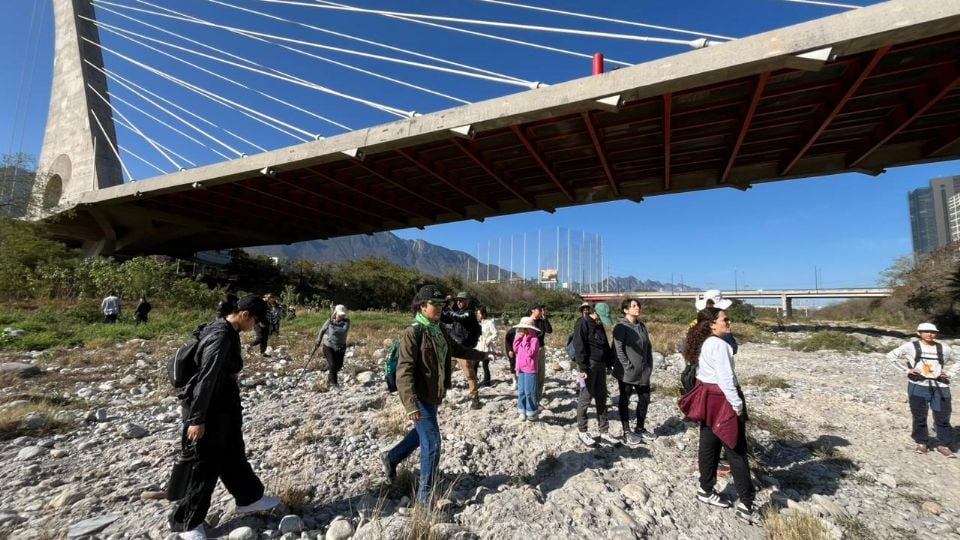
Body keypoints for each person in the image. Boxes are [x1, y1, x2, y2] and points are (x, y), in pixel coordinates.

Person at [169, 294, 279, 540]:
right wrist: (197, 419)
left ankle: (249, 498)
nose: (255, 328)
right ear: (245, 315)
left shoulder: (227, 329)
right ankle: (187, 522)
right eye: (256, 322)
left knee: (232, 453)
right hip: (209, 409)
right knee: (204, 463)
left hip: (223, 406)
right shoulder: (220, 337)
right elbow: (206, 379)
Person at [380, 285, 487, 504]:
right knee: (433, 442)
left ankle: (391, 458)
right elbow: (404, 371)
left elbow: (456, 350)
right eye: (435, 304)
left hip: (433, 395)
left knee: (421, 434)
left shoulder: (438, 329)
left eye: (441, 304)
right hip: (418, 396)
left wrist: (482, 355)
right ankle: (424, 499)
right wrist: (410, 405)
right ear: (422, 306)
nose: (440, 308)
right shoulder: (414, 332)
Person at [682, 307, 759, 525]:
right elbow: (726, 378)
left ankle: (705, 489)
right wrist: (737, 405)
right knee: (736, 450)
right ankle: (747, 505)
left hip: (709, 399)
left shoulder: (705, 343)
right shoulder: (719, 345)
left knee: (708, 444)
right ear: (712, 324)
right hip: (724, 400)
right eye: (725, 319)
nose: (729, 322)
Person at [887, 322, 955, 457]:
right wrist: (907, 370)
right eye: (926, 331)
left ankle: (943, 444)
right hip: (918, 385)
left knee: (943, 416)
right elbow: (890, 356)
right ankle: (921, 441)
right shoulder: (910, 346)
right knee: (919, 415)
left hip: (941, 386)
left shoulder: (944, 348)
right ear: (919, 333)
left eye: (933, 332)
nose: (930, 334)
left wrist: (951, 373)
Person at [572, 303, 618, 448]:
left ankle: (604, 431)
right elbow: (578, 346)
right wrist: (582, 368)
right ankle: (582, 431)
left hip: (600, 365)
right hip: (587, 366)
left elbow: (605, 346)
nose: (602, 320)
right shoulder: (582, 323)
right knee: (585, 398)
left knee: (602, 397)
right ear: (595, 312)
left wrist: (609, 364)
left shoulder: (599, 325)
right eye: (601, 317)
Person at [612, 298, 656, 446]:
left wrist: (649, 364)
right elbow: (619, 349)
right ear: (626, 310)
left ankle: (640, 428)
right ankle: (626, 431)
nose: (638, 308)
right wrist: (627, 366)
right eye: (634, 306)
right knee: (625, 399)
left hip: (643, 371)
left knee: (644, 398)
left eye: (638, 305)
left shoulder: (641, 326)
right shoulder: (621, 327)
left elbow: (647, 347)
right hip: (626, 372)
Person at [441, 291, 483, 409]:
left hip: (464, 349)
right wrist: (444, 305)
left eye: (461, 300)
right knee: (446, 372)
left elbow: (457, 317)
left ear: (467, 301)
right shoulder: (456, 313)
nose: (458, 302)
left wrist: (449, 309)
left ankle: (475, 398)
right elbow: (443, 317)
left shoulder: (469, 314)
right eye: (457, 300)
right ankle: (442, 395)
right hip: (453, 348)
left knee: (469, 374)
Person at [512, 316, 541, 420]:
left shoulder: (534, 340)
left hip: (530, 369)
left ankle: (532, 412)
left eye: (524, 329)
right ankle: (522, 410)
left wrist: (526, 341)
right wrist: (519, 337)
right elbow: (515, 348)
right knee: (522, 391)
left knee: (530, 392)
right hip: (521, 368)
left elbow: (530, 353)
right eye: (521, 329)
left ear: (530, 329)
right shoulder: (521, 338)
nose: (522, 331)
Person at [317, 304, 351, 387]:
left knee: (338, 366)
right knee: (332, 365)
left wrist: (332, 325)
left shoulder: (346, 322)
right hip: (328, 346)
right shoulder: (328, 321)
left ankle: (329, 379)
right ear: (335, 313)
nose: (342, 316)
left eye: (343, 315)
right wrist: (318, 341)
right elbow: (321, 331)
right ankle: (334, 384)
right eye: (340, 315)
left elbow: (342, 330)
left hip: (340, 347)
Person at [528, 303, 553, 402]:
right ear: (533, 310)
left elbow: (549, 330)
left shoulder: (542, 321)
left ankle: (538, 397)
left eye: (543, 310)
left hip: (540, 348)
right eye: (540, 310)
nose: (542, 312)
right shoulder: (528, 321)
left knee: (541, 374)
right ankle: (531, 396)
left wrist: (545, 318)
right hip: (530, 350)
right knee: (532, 373)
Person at [475, 306, 498, 386]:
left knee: (485, 365)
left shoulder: (489, 322)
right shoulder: (477, 323)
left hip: (486, 346)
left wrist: (489, 339)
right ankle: (474, 380)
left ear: (484, 314)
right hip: (478, 346)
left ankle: (487, 382)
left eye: (479, 313)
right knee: (475, 363)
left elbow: (495, 333)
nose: (478, 315)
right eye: (477, 313)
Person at [504, 324, 518, 389]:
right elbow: (507, 339)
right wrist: (510, 350)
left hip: (521, 350)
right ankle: (514, 381)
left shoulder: (528, 331)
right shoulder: (512, 330)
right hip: (511, 349)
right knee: (512, 363)